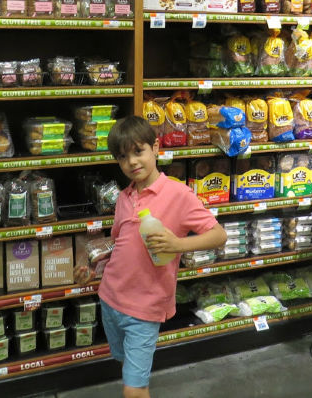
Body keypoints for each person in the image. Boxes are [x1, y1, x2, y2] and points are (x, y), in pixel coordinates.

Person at [74, 115, 227, 398]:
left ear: (156, 148)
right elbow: (119, 244)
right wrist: (94, 268)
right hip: (110, 299)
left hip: (145, 309)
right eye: (123, 157)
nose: (132, 162)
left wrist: (177, 244)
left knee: (134, 389)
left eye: (138, 151)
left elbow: (219, 235)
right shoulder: (124, 198)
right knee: (125, 364)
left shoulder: (178, 195)